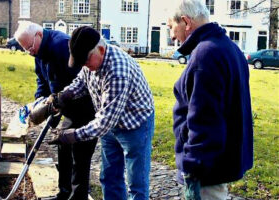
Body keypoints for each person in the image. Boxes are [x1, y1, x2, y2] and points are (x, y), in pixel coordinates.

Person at [49, 26, 155, 200]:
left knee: (136, 184)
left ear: (101, 49)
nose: (85, 65)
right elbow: (82, 81)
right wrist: (65, 95)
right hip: (110, 124)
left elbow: (104, 122)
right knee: (109, 177)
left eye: (86, 61)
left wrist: (73, 135)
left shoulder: (117, 71)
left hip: (136, 123)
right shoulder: (90, 59)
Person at [168, 0, 253, 199]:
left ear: (186, 22)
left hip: (206, 171)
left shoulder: (205, 54)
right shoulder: (228, 47)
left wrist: (191, 167)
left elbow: (204, 120)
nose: (172, 35)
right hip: (218, 163)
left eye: (171, 27)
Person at [14, 21, 98, 200]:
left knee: (80, 155)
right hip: (64, 107)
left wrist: (59, 101)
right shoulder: (38, 51)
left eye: (29, 46)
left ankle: (78, 196)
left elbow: (81, 81)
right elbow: (42, 80)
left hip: (84, 107)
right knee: (64, 148)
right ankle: (64, 193)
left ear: (38, 35)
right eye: (24, 49)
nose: (29, 51)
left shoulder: (61, 45)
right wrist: (40, 100)